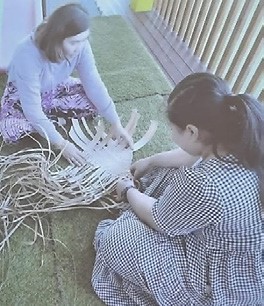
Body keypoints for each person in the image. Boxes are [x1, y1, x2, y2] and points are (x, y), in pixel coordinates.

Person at [91, 73, 264, 305]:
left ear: (192, 131)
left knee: (118, 237)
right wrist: (151, 161)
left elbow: (157, 219)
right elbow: (191, 156)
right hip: (233, 260)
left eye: (173, 129)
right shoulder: (238, 141)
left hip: (216, 286)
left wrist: (127, 191)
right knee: (166, 171)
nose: (171, 134)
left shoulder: (204, 184)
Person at [0, 3, 132, 166]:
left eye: (83, 40)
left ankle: (49, 119)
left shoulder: (81, 46)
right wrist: (62, 144)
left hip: (55, 88)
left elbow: (94, 83)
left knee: (93, 102)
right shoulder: (26, 54)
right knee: (14, 130)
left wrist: (115, 123)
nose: (79, 47)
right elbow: (32, 110)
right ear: (57, 37)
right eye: (74, 42)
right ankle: (50, 121)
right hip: (21, 97)